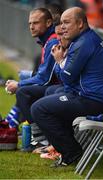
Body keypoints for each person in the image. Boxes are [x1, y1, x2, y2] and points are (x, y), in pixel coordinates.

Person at [31, 7, 103, 167]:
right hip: (93, 96)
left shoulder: (83, 43)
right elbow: (69, 79)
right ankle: (62, 145)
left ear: (80, 23)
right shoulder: (86, 39)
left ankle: (70, 151)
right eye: (62, 23)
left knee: (38, 108)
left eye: (67, 22)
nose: (62, 27)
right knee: (52, 91)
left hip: (93, 101)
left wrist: (59, 60)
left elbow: (66, 76)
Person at [5, 7, 59, 150]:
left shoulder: (52, 42)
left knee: (23, 91)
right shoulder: (47, 41)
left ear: (48, 23)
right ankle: (38, 135)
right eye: (30, 23)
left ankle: (41, 138)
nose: (31, 27)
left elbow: (45, 78)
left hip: (60, 90)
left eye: (35, 23)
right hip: (54, 88)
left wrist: (19, 84)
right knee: (24, 88)